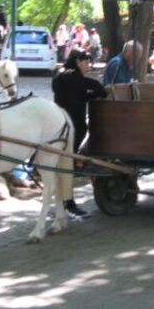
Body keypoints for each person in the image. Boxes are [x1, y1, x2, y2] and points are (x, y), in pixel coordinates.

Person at [52, 49, 108, 216]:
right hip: (72, 129)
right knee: (66, 164)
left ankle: (63, 200)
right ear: (78, 61)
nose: (88, 66)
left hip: (59, 126)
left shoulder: (59, 73)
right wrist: (95, 92)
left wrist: (86, 95)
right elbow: (98, 88)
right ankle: (68, 202)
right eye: (86, 62)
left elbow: (77, 94)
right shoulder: (72, 76)